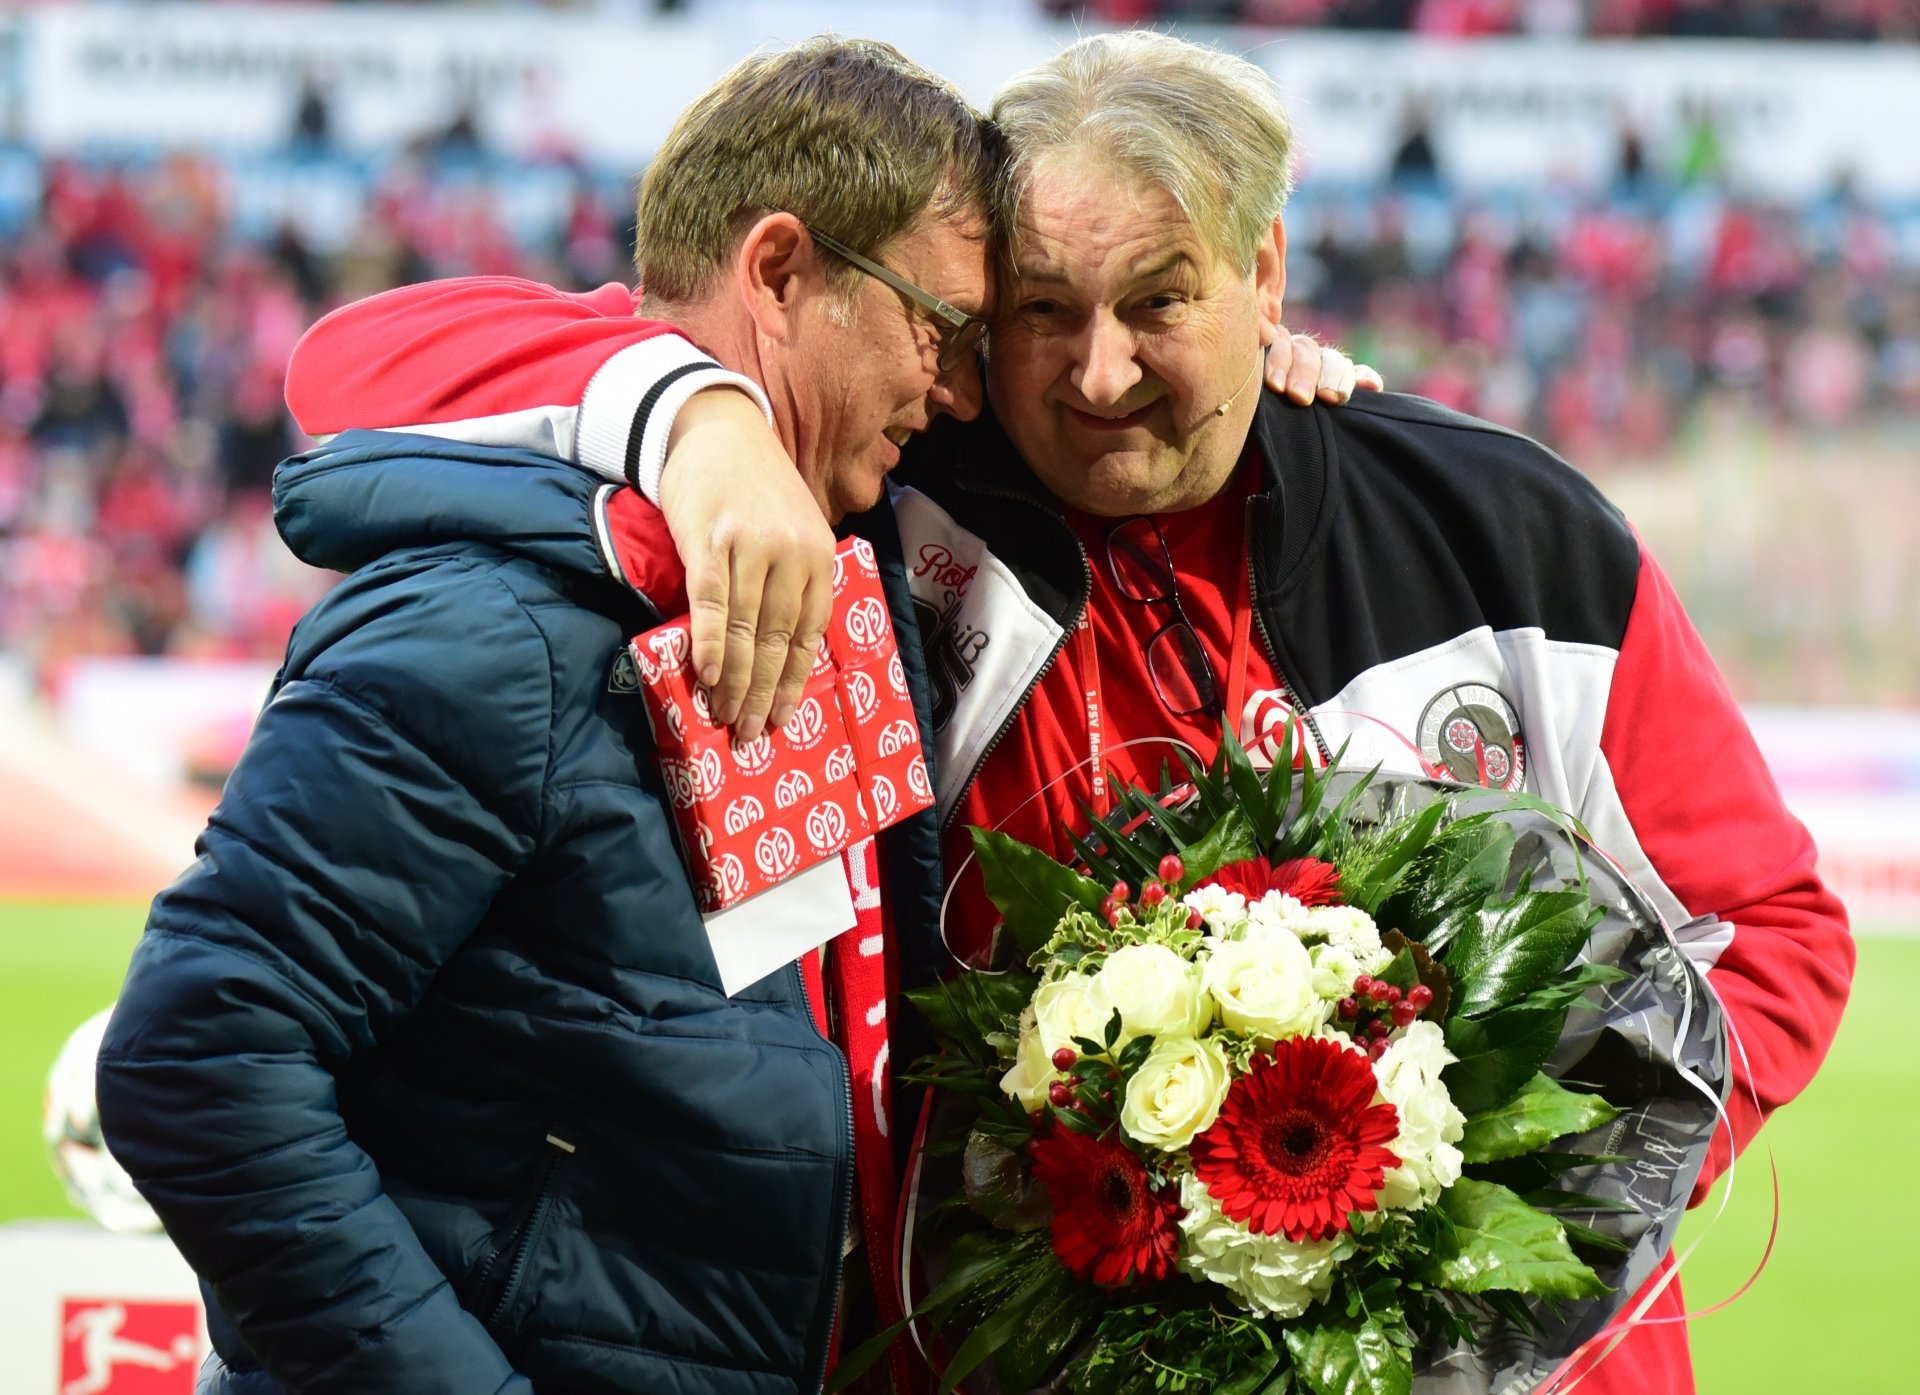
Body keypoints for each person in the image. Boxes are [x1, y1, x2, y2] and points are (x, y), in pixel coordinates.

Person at [286, 31, 1852, 1395]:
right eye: (1042, 311)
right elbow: (359, 358)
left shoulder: (1506, 529)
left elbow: (1771, 924)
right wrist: (697, 424)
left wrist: (1501, 1198)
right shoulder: (883, 512)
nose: (1101, 374)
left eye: (1162, 299)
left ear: (1266, 274)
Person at [94, 38, 1004, 1395]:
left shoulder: (825, 580)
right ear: (778, 273)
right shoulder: (494, 630)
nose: (956, 391)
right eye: (935, 327)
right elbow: (195, 1059)